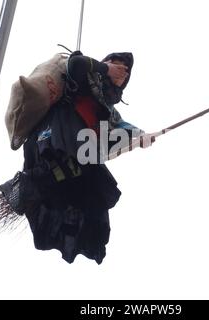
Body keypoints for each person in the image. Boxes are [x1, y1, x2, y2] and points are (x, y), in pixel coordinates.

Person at [20, 51, 151, 264]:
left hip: (80, 155)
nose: (122, 72)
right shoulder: (86, 77)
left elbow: (122, 129)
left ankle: (76, 234)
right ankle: (35, 187)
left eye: (126, 72)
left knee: (95, 198)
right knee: (65, 169)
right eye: (117, 65)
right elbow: (76, 64)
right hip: (56, 138)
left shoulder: (109, 111)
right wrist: (105, 68)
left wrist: (141, 136)